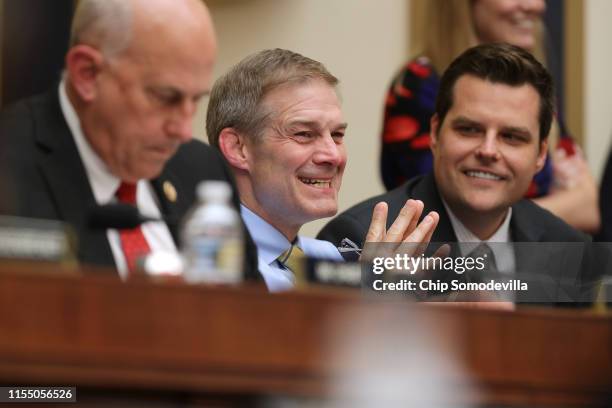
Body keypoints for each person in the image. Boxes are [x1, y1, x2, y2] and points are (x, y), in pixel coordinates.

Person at [320, 43, 597, 304]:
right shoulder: (356, 240)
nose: (488, 150)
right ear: (435, 133)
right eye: (469, 130)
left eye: (512, 136)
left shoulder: (573, 252)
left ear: (540, 155)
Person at [0, 0, 257, 278]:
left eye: (194, 100)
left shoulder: (203, 170)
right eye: (165, 97)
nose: (183, 131)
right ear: (87, 73)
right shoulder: (10, 160)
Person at [206, 48, 439, 291]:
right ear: (237, 148)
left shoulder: (325, 255)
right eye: (304, 134)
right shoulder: (207, 262)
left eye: (337, 135)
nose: (333, 155)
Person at [380, 0, 599, 234]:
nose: (535, 5)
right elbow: (450, 210)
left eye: (512, 135)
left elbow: (588, 206)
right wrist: (509, 226)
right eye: (469, 129)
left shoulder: (531, 93)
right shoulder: (419, 84)